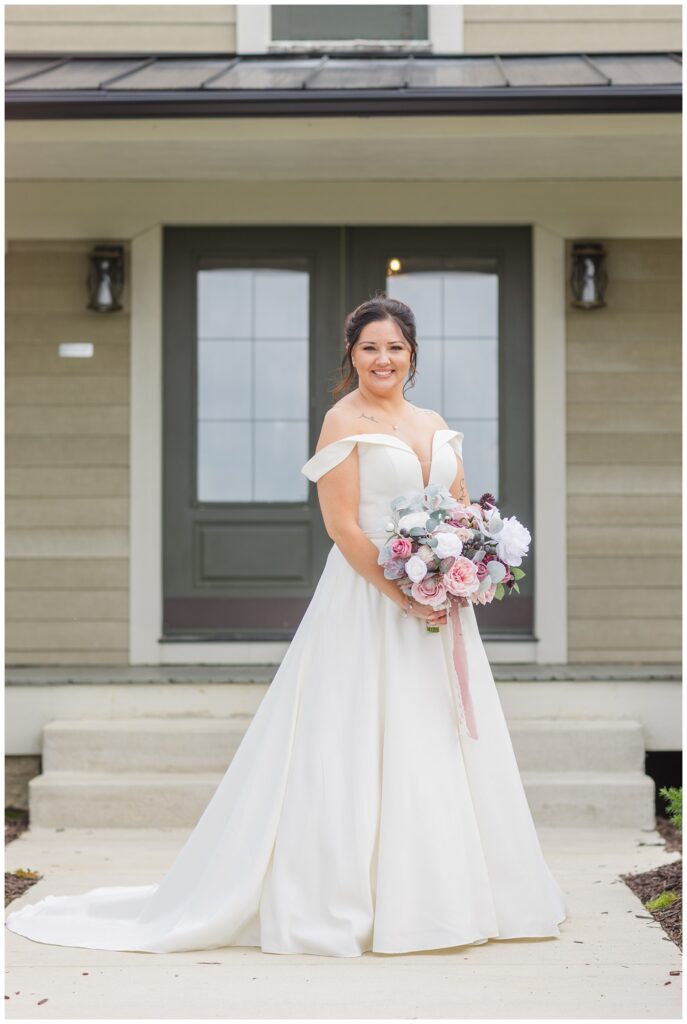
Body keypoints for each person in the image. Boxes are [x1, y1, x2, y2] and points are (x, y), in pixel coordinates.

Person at [6, 296, 567, 957]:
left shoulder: (433, 421)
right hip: (367, 601)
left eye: (393, 348)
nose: (381, 359)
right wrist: (401, 593)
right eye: (368, 348)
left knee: (434, 735)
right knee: (356, 738)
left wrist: (468, 558)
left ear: (412, 354)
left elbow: (461, 502)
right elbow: (343, 526)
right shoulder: (341, 420)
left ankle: (450, 896)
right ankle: (352, 899)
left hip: (439, 603)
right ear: (351, 356)